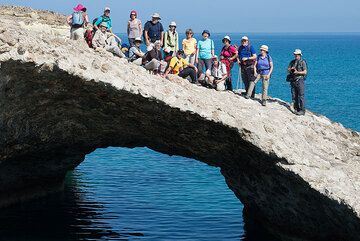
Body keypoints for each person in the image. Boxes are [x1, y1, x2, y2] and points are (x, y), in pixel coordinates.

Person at [287, 49, 308, 115]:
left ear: (299, 55)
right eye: (295, 55)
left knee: (301, 95)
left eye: (297, 55)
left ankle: (302, 110)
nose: (296, 56)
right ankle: (296, 108)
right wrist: (291, 70)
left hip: (300, 80)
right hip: (293, 80)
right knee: (294, 95)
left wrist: (297, 72)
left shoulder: (302, 62)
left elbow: (305, 72)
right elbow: (288, 70)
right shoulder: (292, 62)